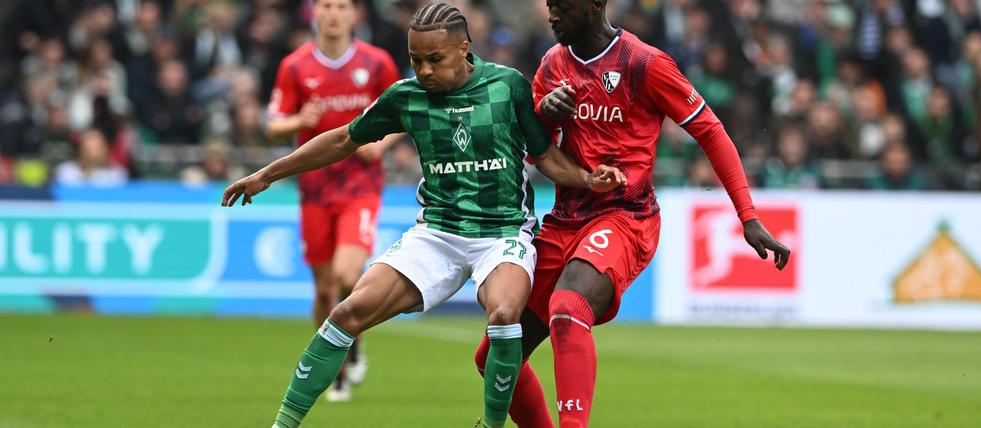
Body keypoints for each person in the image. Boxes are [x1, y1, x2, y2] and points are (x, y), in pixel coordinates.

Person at [221, 4, 626, 427]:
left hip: (503, 233)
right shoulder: (406, 97)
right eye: (416, 60)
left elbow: (544, 156)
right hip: (437, 232)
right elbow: (343, 139)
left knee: (505, 316)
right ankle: (282, 424)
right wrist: (267, 174)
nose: (425, 71)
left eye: (435, 59)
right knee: (346, 313)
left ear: (464, 49)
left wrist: (585, 178)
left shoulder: (507, 86)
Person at [472, 1, 792, 427]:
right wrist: (544, 115)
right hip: (565, 217)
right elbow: (538, 152)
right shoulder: (551, 64)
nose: (552, 15)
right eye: (550, 5)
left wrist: (747, 216)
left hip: (626, 217)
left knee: (567, 308)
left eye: (562, 6)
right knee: (496, 353)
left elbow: (710, 130)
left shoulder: (645, 63)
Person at [265, 0, 401, 401]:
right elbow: (273, 124)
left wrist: (383, 144)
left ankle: (350, 343)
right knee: (324, 290)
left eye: (342, 5)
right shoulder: (295, 66)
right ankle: (336, 365)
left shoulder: (376, 63)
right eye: (327, 5)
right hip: (314, 189)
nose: (335, 13)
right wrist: (298, 121)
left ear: (354, 14)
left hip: (360, 184)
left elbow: (403, 112)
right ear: (315, 14)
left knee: (346, 275)